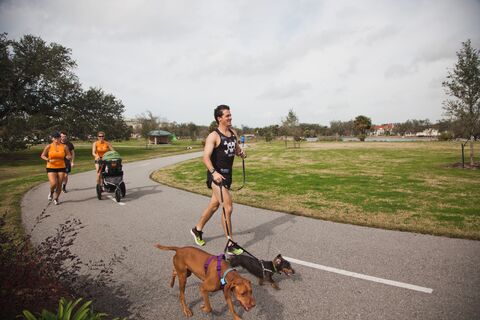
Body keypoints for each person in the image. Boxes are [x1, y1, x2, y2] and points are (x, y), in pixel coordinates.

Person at [191, 105, 246, 255]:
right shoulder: (213, 136)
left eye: (230, 115)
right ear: (219, 118)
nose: (230, 117)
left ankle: (197, 229)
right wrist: (214, 173)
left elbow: (235, 149)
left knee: (214, 205)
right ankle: (230, 243)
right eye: (227, 116)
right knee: (227, 207)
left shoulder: (233, 133)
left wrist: (240, 152)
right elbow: (205, 157)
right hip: (216, 176)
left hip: (228, 176)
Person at [40, 132, 72, 205]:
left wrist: (68, 157)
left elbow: (69, 155)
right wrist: (48, 159)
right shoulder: (49, 146)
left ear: (60, 138)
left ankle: (56, 198)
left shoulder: (64, 147)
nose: (57, 139)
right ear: (52, 139)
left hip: (61, 166)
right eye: (55, 138)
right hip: (51, 166)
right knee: (53, 183)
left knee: (59, 184)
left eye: (58, 137)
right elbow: (42, 155)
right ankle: (51, 193)